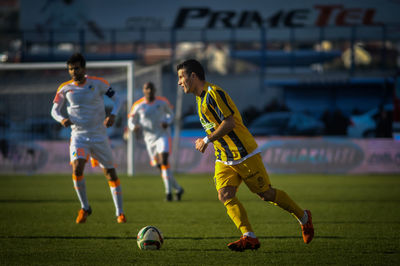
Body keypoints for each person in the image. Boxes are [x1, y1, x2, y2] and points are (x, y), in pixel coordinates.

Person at [176, 59, 314, 251]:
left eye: (182, 77)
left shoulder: (214, 93)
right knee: (224, 195)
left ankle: (304, 217)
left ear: (193, 76)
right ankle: (249, 236)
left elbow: (229, 123)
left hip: (244, 154)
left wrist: (206, 140)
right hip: (224, 157)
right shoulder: (199, 100)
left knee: (266, 194)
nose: (179, 82)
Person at [51, 53, 126, 224]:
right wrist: (61, 119)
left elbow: (118, 99)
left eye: (76, 68)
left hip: (99, 135)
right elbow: (54, 110)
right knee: (77, 168)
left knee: (110, 173)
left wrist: (113, 115)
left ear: (84, 69)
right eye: (70, 69)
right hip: (78, 135)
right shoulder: (64, 88)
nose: (73, 71)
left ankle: (119, 213)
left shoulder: (98, 83)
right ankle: (85, 207)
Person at [128, 82, 184, 201]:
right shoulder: (138, 105)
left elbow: (171, 113)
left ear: (154, 90)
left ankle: (168, 194)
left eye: (151, 88)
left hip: (162, 135)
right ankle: (178, 189)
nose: (149, 90)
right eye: (146, 88)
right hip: (148, 140)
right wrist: (133, 128)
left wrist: (167, 122)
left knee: (164, 161)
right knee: (161, 167)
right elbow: (131, 119)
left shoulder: (162, 102)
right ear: (143, 90)